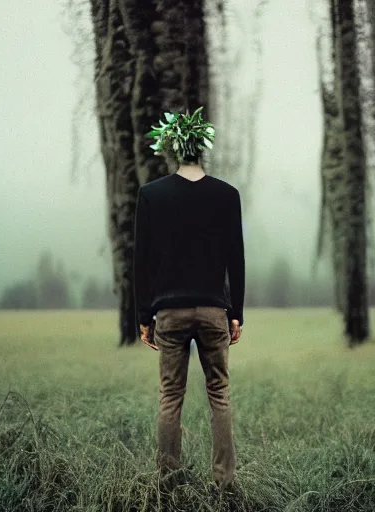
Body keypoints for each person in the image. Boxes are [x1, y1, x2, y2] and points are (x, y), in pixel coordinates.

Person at [133, 108, 245, 491]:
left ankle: (168, 483)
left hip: (169, 312)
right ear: (203, 148)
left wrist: (143, 316)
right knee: (220, 395)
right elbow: (237, 259)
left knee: (170, 397)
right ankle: (224, 483)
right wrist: (236, 313)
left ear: (173, 147)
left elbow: (141, 261)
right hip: (214, 309)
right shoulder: (227, 195)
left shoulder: (151, 196)